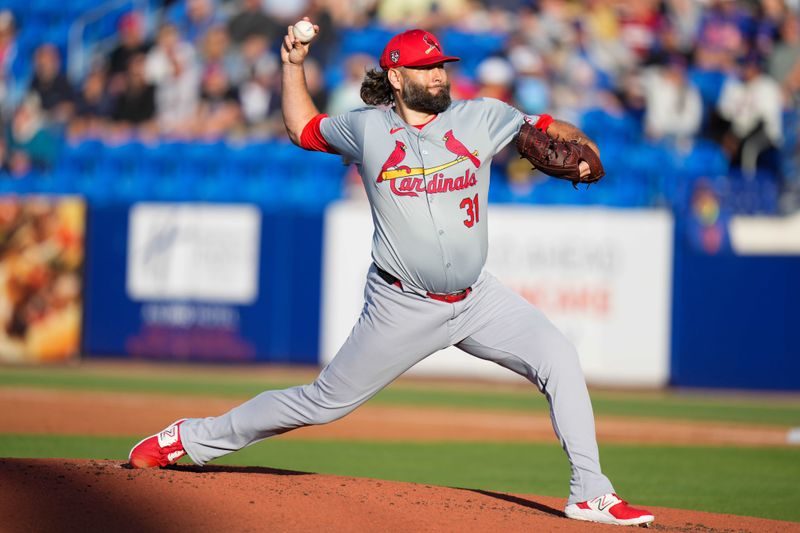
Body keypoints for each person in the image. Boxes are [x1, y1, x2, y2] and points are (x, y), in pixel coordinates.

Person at [129, 23, 655, 528]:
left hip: (478, 299)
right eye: (427, 69)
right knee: (320, 404)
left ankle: (590, 493)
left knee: (559, 356)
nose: (439, 76)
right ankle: (188, 439)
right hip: (401, 304)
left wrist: (579, 149)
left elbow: (548, 129)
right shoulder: (367, 127)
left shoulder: (484, 116)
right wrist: (293, 65)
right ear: (398, 77)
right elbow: (302, 129)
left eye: (441, 67)